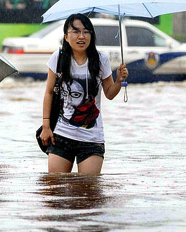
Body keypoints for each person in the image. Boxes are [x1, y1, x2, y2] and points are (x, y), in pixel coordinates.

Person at [39, 13, 128, 174]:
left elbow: (109, 93)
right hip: (62, 135)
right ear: (66, 36)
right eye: (76, 32)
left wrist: (119, 81)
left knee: (88, 192)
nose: (82, 36)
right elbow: (49, 93)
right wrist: (46, 126)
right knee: (54, 189)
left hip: (91, 138)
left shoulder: (101, 59)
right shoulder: (58, 58)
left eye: (86, 32)